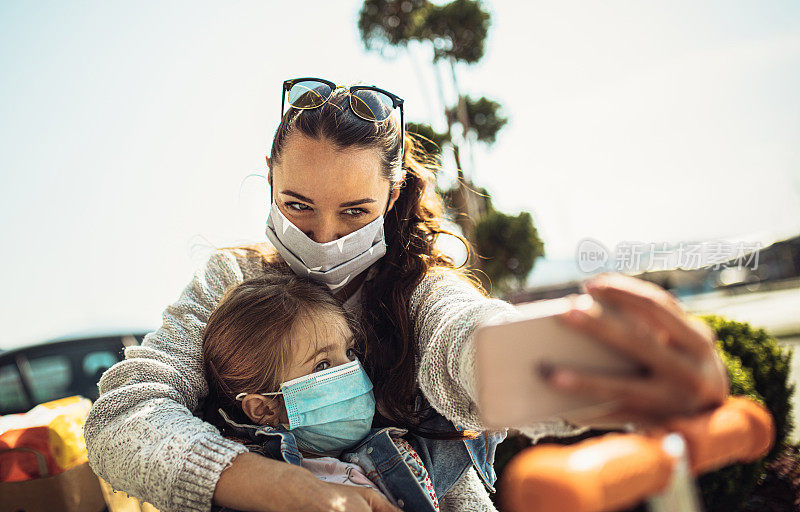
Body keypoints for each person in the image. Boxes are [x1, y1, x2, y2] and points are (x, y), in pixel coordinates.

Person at [84, 78, 729, 512]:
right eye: (298, 206)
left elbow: (469, 342)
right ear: (270, 183)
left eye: (355, 211)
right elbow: (123, 418)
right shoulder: (230, 283)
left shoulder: (421, 290)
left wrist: (611, 368)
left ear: (391, 200)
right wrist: (281, 485)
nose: (325, 236)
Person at [201, 270, 444, 512]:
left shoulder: (400, 452)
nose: (353, 371)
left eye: (349, 352)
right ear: (264, 408)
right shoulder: (249, 495)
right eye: (323, 365)